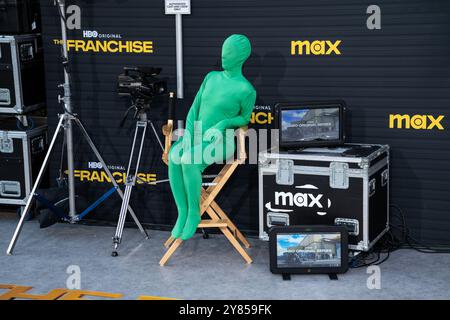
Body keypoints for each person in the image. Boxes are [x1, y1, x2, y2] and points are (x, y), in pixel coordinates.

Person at [168, 34, 256, 240]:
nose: (224, 55)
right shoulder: (211, 77)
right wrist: (189, 134)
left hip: (221, 142)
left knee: (189, 161)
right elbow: (194, 108)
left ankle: (194, 213)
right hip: (196, 135)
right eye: (223, 50)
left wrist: (223, 124)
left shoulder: (246, 89)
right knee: (174, 156)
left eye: (230, 52)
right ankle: (182, 211)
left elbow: (244, 119)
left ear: (242, 56)